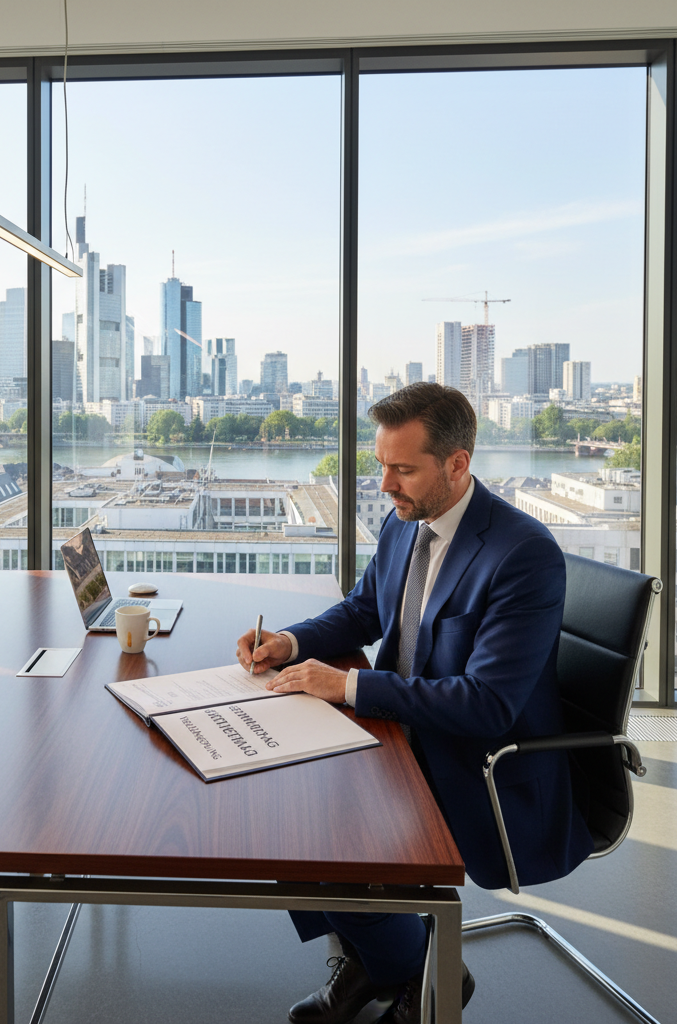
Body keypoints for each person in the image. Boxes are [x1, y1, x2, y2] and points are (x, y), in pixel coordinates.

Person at [236, 382, 592, 1024]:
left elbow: (487, 705)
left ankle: (418, 967)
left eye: (402, 469)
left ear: (457, 463)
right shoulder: (407, 523)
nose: (385, 485)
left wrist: (345, 686)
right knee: (282, 807)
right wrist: (290, 642)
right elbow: (364, 611)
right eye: (381, 465)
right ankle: (382, 957)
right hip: (402, 735)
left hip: (478, 764)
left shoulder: (522, 554)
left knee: (313, 835)